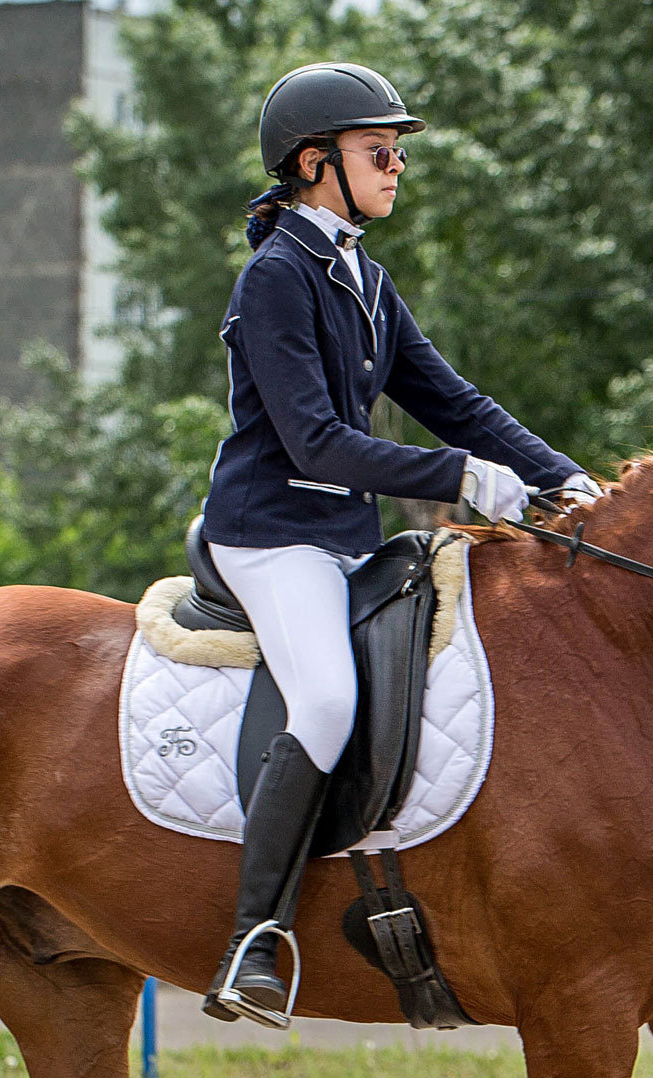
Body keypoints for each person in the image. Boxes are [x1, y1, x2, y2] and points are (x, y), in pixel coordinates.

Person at [198, 62, 598, 1026]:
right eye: (381, 151)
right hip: (270, 536)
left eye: (399, 153)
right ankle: (256, 936)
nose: (397, 167)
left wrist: (566, 477)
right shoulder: (276, 278)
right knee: (329, 696)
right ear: (313, 162)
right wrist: (453, 477)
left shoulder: (364, 279)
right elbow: (314, 441)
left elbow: (453, 401)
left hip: (343, 540)